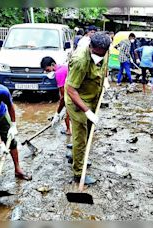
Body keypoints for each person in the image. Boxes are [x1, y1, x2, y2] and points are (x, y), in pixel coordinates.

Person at [65, 32, 111, 185]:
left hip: (93, 97)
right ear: (90, 47)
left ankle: (77, 156)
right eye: (96, 54)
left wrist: (105, 79)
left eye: (102, 54)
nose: (99, 57)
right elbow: (70, 89)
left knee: (89, 132)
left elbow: (105, 65)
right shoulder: (80, 61)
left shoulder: (104, 50)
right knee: (80, 136)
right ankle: (78, 173)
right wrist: (86, 111)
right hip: (77, 100)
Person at [40, 57, 71, 135]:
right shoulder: (63, 67)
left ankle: (69, 130)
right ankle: (69, 130)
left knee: (68, 112)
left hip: (71, 94)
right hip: (74, 91)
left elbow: (63, 97)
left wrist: (57, 114)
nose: (47, 72)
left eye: (48, 70)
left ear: (53, 65)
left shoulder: (59, 73)